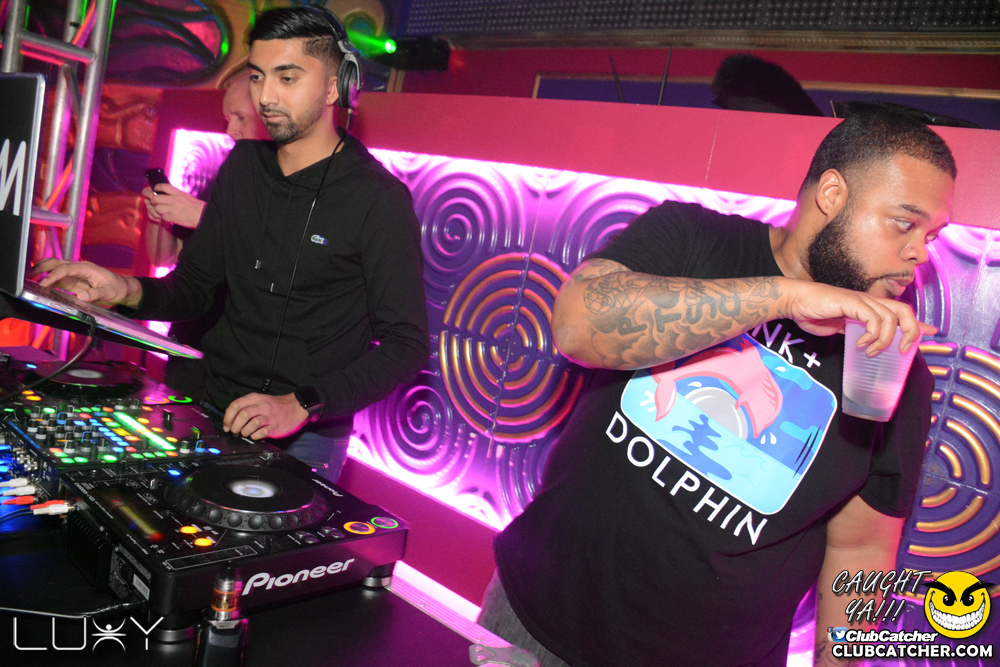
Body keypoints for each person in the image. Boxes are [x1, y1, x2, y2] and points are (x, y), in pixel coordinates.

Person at [479, 110, 955, 667]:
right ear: (832, 195)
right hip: (536, 620)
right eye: (904, 223)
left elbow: (862, 549)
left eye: (931, 235)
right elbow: (577, 326)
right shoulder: (694, 239)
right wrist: (786, 297)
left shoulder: (894, 368)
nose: (921, 252)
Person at [34, 6, 430, 484]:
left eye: (287, 78)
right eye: (259, 76)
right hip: (208, 406)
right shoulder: (242, 167)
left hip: (304, 437)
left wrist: (302, 404)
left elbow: (407, 344)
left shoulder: (378, 200)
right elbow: (194, 288)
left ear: (333, 88)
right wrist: (123, 288)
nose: (267, 96)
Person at [143, 77, 270, 398]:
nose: (231, 130)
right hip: (190, 349)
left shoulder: (289, 184)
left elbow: (276, 249)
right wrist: (160, 217)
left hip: (242, 367)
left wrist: (203, 215)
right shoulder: (230, 175)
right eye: (228, 120)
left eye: (241, 118)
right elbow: (166, 256)